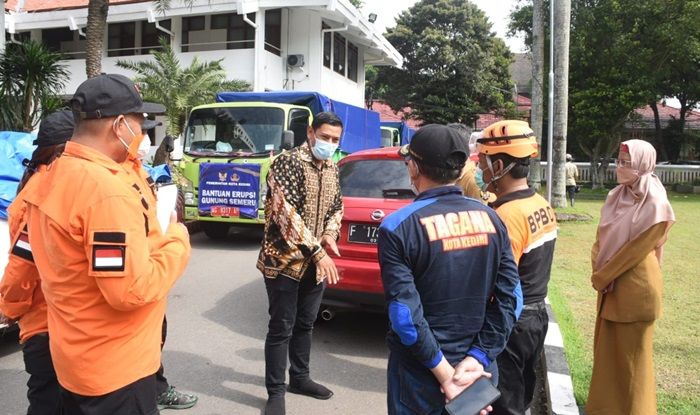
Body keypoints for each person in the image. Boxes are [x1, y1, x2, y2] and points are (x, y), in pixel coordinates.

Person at [23, 73, 192, 415]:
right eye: (139, 123)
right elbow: (130, 291)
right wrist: (178, 240)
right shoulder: (104, 193)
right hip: (116, 371)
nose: (143, 133)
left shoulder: (55, 174)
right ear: (118, 125)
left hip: (76, 359)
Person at [379, 124, 521, 415]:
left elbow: (405, 316)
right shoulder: (492, 218)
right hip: (476, 373)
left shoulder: (397, 227)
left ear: (414, 168)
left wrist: (446, 377)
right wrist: (477, 359)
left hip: (422, 376)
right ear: (460, 170)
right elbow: (512, 299)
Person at [256, 111, 344, 415]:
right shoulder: (287, 162)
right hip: (283, 261)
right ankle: (275, 392)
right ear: (310, 133)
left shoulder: (332, 166)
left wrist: (330, 234)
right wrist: (318, 251)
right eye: (325, 137)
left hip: (314, 265)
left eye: (335, 139)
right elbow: (284, 213)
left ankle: (300, 378)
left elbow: (336, 207)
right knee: (282, 326)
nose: (329, 144)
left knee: (306, 324)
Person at [586, 139, 675, 415]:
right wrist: (598, 270)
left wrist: (602, 276)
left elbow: (633, 253)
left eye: (626, 163)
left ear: (642, 165)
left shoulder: (655, 203)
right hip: (611, 286)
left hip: (636, 289)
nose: (619, 167)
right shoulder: (617, 196)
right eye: (618, 161)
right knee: (609, 355)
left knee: (633, 363)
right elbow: (601, 239)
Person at [475, 120, 557, 415]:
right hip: (536, 318)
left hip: (511, 322)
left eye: (483, 162)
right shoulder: (540, 204)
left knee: (503, 402)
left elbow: (496, 281)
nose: (480, 169)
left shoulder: (506, 215)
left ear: (499, 165)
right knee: (520, 395)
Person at [0, 110, 74, 414]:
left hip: (47, 323)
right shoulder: (49, 193)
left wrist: (12, 308)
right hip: (52, 325)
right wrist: (9, 306)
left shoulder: (36, 186)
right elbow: (23, 265)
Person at [135, 120, 199, 411]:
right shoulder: (104, 185)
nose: (146, 139)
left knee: (152, 341)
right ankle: (153, 391)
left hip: (149, 279)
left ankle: (156, 387)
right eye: (141, 130)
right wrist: (177, 236)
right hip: (142, 281)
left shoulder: (136, 173)